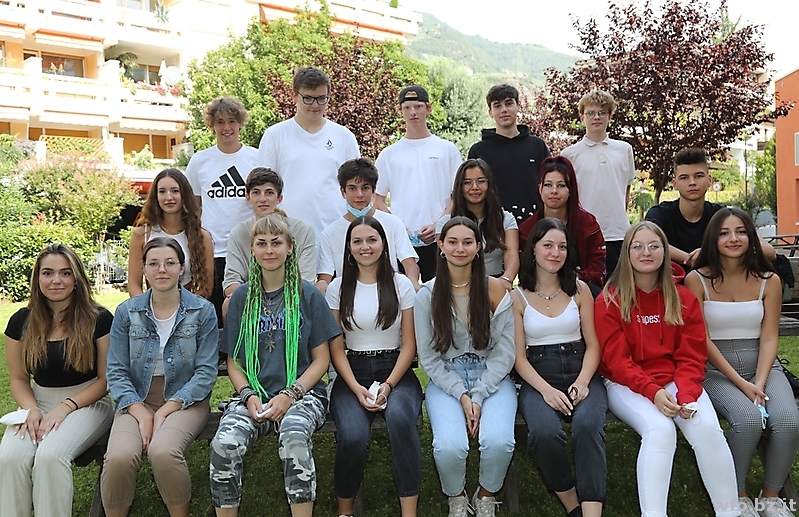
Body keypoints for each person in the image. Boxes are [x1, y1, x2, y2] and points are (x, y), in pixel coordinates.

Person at [595, 221, 741, 517]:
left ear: (665, 252)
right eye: (637, 246)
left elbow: (692, 356)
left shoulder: (682, 298)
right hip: (626, 384)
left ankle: (730, 512)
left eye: (654, 246)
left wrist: (686, 396)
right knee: (660, 430)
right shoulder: (609, 300)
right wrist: (654, 392)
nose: (646, 252)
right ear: (626, 253)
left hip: (676, 380)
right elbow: (618, 362)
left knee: (707, 429)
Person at [209, 213, 340, 517]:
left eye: (276, 243)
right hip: (254, 395)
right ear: (252, 249)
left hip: (303, 395)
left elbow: (322, 360)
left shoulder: (308, 294)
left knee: (294, 436)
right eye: (262, 243)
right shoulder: (242, 298)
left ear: (290, 247)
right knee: (225, 443)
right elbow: (235, 361)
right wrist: (248, 395)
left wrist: (290, 394)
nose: (269, 250)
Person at [685, 207, 799, 517]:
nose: (733, 239)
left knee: (789, 421)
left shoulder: (769, 280)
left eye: (740, 232)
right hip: (715, 369)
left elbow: (770, 338)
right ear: (713, 239)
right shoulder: (696, 280)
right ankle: (737, 495)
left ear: (751, 237)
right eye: (724, 233)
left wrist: (758, 383)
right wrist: (742, 385)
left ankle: (771, 497)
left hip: (763, 365)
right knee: (748, 420)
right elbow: (702, 340)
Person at [103, 237, 218, 517]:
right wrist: (140, 411)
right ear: (144, 269)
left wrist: (167, 409)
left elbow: (206, 372)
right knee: (119, 456)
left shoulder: (202, 311)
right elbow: (116, 370)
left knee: (163, 451)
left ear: (182, 268)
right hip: (136, 399)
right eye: (153, 263)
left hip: (186, 400)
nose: (162, 269)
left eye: (169, 263)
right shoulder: (126, 312)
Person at [0, 243, 114, 517]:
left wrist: (65, 407)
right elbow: (18, 379)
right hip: (37, 401)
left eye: (65, 273)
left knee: (51, 456)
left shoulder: (99, 319)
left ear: (76, 278)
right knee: (9, 457)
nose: (56, 280)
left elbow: (105, 380)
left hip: (88, 402)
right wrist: (31, 410)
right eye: (48, 273)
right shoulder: (21, 321)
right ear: (37, 278)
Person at [415, 216, 516, 517]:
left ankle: (485, 495)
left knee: (499, 442)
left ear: (479, 247)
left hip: (492, 374)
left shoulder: (495, 289)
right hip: (447, 377)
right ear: (441, 246)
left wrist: (480, 394)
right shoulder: (427, 295)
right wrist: (461, 394)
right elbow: (429, 358)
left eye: (468, 242)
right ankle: (456, 497)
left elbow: (506, 351)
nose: (460, 248)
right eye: (453, 242)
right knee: (448, 446)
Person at [326, 216, 422, 517]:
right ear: (349, 247)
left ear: (383, 243)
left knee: (401, 420)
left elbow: (410, 345)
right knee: (353, 435)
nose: (365, 247)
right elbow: (336, 348)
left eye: (372, 239)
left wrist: (389, 386)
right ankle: (345, 512)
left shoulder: (401, 284)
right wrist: (356, 389)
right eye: (357, 241)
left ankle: (409, 513)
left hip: (396, 370)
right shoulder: (337, 288)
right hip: (352, 372)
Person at [513, 218, 607, 517]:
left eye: (562, 247)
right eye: (548, 245)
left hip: (581, 369)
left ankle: (591, 511)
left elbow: (593, 345)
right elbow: (518, 358)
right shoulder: (517, 297)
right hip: (539, 375)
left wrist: (583, 382)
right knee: (543, 432)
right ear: (533, 249)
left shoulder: (580, 290)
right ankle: (572, 506)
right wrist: (546, 390)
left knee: (587, 426)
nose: (556, 252)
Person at [257, 66, 360, 237]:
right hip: (287, 233)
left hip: (336, 233)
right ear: (294, 96)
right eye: (308, 98)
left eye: (321, 98)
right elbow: (262, 187)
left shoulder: (344, 136)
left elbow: (357, 188)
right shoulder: (274, 135)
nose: (315, 105)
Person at [375, 85, 462, 283]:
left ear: (428, 108)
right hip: (401, 243)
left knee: (440, 294)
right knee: (402, 294)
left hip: (439, 239)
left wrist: (438, 224)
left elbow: (458, 196)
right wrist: (399, 228)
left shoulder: (447, 150)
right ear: (400, 111)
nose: (413, 112)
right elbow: (378, 200)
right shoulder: (389, 155)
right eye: (407, 107)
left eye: (418, 106)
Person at [186, 96, 258, 324]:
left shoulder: (256, 158)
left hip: (249, 249)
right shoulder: (199, 161)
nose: (226, 127)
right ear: (212, 125)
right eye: (220, 122)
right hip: (213, 252)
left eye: (231, 121)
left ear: (240, 123)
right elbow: (193, 207)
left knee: (250, 315)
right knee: (215, 316)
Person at [646, 148, 776, 272]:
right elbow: (648, 241)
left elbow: (769, 251)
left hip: (716, 283)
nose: (692, 182)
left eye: (698, 176)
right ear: (675, 184)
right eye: (684, 177)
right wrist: (691, 259)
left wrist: (707, 254)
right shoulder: (660, 213)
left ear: (709, 180)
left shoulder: (722, 215)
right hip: (671, 283)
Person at [317, 158, 420, 295]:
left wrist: (412, 282)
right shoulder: (330, 233)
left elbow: (409, 263)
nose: (359, 195)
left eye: (365, 188)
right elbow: (325, 276)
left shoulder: (393, 223)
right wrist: (321, 286)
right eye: (352, 188)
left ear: (374, 190)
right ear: (342, 191)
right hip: (349, 296)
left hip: (388, 294)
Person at [561, 90, 636, 278]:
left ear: (609, 116)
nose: (596, 117)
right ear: (582, 117)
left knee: (618, 288)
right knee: (585, 287)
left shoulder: (624, 150)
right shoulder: (569, 154)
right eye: (591, 113)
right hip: (583, 234)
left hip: (618, 233)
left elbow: (626, 189)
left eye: (602, 112)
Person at [223, 167, 317, 316]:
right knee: (228, 304)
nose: (262, 199)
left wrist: (275, 302)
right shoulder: (238, 233)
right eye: (256, 193)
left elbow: (306, 280)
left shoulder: (303, 230)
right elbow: (231, 281)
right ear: (248, 198)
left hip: (293, 300)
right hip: (252, 301)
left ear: (279, 198)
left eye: (269, 193)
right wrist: (259, 301)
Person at [518, 155, 606, 288]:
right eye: (548, 185)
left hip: (581, 289)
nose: (554, 191)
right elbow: (525, 271)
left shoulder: (588, 224)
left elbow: (598, 271)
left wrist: (572, 278)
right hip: (539, 291)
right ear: (540, 188)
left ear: (570, 190)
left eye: (561, 185)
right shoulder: (527, 229)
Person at [467, 83, 550, 224]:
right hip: (493, 225)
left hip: (534, 224)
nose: (504, 110)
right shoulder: (479, 151)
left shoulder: (537, 146)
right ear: (490, 112)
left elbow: (549, 183)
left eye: (509, 103)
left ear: (518, 106)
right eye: (497, 106)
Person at [128, 168, 214, 299]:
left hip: (190, 308)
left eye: (175, 191)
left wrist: (186, 309)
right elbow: (134, 284)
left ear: (185, 195)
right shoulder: (141, 235)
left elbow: (205, 287)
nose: (169, 197)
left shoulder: (202, 237)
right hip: (151, 308)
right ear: (156, 196)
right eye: (162, 191)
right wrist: (145, 308)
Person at [436, 158, 519, 289]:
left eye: (481, 181)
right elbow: (443, 261)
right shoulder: (445, 223)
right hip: (457, 286)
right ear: (459, 186)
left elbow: (512, 254)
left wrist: (506, 280)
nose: (474, 187)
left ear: (489, 184)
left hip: (497, 284)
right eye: (467, 182)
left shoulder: (506, 219)